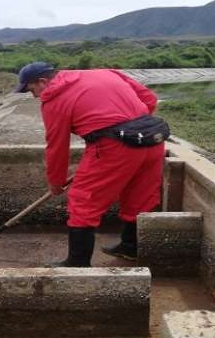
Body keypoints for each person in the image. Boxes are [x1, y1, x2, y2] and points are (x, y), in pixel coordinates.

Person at [15, 61, 165, 267]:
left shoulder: (54, 100)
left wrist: (56, 182)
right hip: (151, 138)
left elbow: (57, 147)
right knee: (140, 195)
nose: (35, 96)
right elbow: (149, 99)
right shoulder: (106, 72)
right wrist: (133, 129)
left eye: (32, 90)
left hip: (115, 147)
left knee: (82, 200)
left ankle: (77, 263)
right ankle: (130, 247)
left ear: (43, 81)